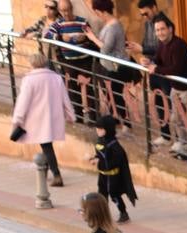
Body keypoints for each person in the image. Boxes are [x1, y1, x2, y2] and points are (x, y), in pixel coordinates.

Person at [12, 51, 76, 187]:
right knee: (46, 144)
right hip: (53, 118)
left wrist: (17, 119)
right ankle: (44, 171)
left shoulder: (29, 80)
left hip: (37, 119)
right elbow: (65, 98)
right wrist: (70, 114)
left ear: (33, 64)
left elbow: (23, 101)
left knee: (46, 146)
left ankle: (57, 175)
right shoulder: (56, 78)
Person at [146, 14, 187, 159]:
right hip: (176, 88)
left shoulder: (179, 45)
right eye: (157, 30)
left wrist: (156, 69)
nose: (160, 33)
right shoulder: (162, 44)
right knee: (176, 118)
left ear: (170, 29)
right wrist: (148, 61)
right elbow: (157, 60)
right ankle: (183, 145)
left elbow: (175, 69)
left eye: (162, 29)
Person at [83, 0, 135, 126]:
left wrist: (92, 37)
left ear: (102, 11)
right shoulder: (109, 24)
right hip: (108, 66)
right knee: (111, 96)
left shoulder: (113, 26)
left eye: (97, 12)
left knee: (116, 97)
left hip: (115, 68)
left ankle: (126, 124)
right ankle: (117, 121)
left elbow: (106, 49)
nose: (97, 14)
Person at [44, 0, 96, 125]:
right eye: (62, 10)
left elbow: (93, 39)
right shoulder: (58, 24)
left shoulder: (82, 21)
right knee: (73, 90)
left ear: (71, 8)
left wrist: (84, 38)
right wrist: (61, 38)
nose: (65, 13)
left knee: (89, 89)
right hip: (69, 63)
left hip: (84, 61)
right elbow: (47, 37)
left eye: (67, 10)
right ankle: (78, 117)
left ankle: (93, 118)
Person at [129, 0, 173, 145]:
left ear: (154, 8)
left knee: (172, 106)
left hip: (166, 71)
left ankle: (180, 140)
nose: (144, 17)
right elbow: (147, 44)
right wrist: (144, 57)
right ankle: (165, 135)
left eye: (146, 13)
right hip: (154, 70)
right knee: (159, 103)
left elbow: (162, 47)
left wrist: (143, 50)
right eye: (142, 14)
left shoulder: (165, 24)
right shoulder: (149, 23)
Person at [93, 115, 137, 222]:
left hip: (112, 176)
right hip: (102, 175)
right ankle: (102, 216)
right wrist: (95, 158)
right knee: (101, 196)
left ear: (107, 130)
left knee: (114, 195)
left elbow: (115, 162)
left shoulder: (114, 145)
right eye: (97, 128)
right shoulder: (100, 141)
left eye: (100, 129)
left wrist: (100, 161)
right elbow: (100, 154)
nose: (97, 131)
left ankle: (123, 213)